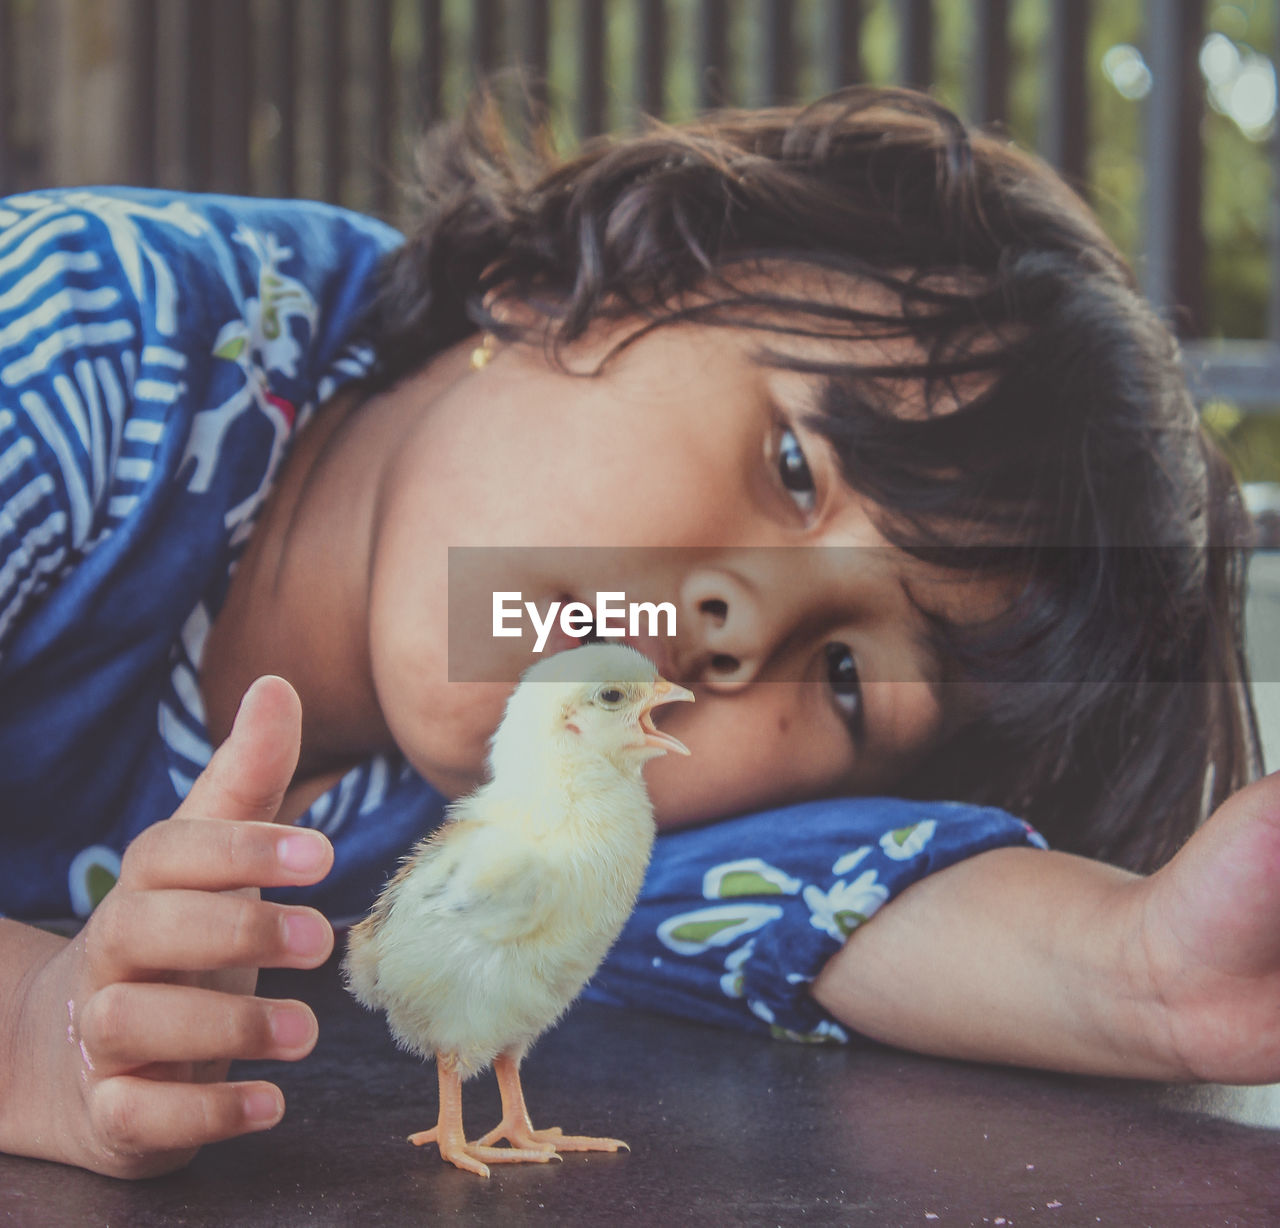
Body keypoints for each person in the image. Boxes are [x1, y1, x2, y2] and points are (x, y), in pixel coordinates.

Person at [0, 85, 1271, 1181]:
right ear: (579, 277)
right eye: (792, 462)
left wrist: (1142, 975)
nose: (736, 629)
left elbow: (843, 896)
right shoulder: (83, 342)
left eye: (845, 680)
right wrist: (30, 1041)